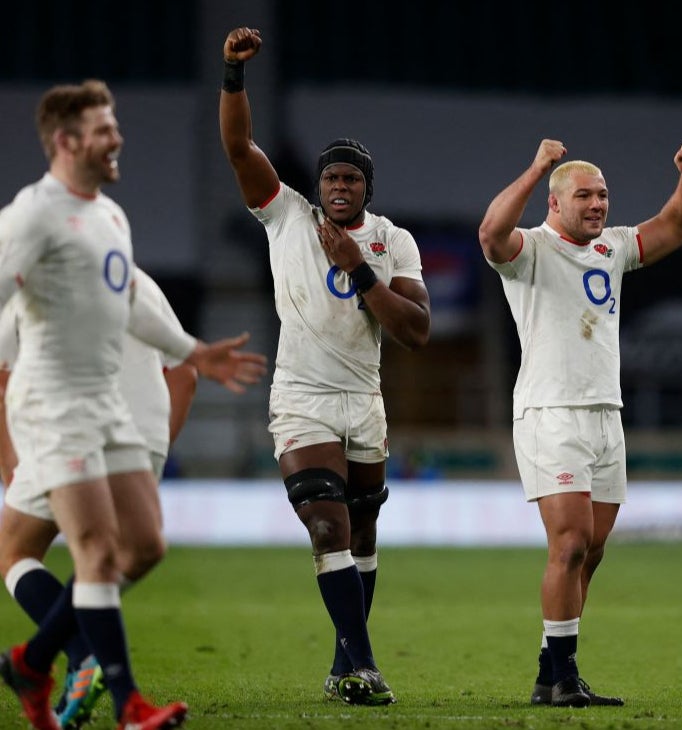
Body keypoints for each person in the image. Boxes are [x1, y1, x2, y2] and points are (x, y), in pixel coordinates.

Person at [0, 78, 268, 730]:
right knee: (94, 548)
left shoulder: (109, 216)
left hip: (105, 405)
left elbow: (127, 308)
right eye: (102, 129)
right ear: (65, 142)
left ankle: (33, 662)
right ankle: (129, 705)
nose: (117, 138)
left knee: (143, 548)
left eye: (115, 125)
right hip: (55, 401)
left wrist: (193, 351)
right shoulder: (30, 217)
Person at [219, 27, 431, 706]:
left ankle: (344, 663)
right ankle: (365, 667)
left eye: (351, 179)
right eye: (332, 178)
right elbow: (237, 147)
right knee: (325, 525)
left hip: (363, 400)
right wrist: (232, 74)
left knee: (363, 533)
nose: (340, 187)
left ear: (367, 188)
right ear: (316, 186)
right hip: (303, 396)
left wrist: (358, 268)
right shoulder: (285, 216)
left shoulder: (391, 239)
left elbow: (415, 330)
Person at [478, 138, 682, 707]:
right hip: (551, 412)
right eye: (584, 195)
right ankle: (564, 678)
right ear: (555, 203)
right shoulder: (530, 249)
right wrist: (536, 168)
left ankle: (547, 671)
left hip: (607, 414)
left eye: (603, 194)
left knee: (594, 548)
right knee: (571, 542)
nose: (598, 204)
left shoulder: (613, 247)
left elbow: (674, 227)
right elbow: (490, 234)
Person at [0, 268, 198, 730]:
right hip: (141, 438)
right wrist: (152, 458)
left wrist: (10, 467)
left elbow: (3, 384)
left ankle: (65, 657)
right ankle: (106, 688)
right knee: (117, 555)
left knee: (15, 552)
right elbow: (185, 373)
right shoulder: (138, 280)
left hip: (70, 433)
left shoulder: (25, 288)